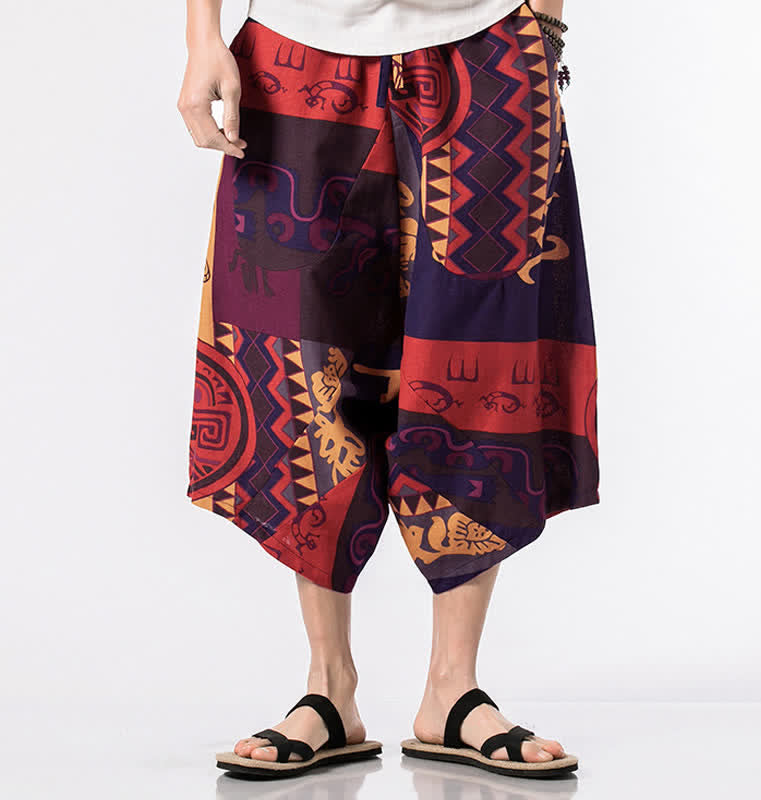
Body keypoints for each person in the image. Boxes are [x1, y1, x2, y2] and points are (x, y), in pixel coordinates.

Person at [177, 0, 598, 780]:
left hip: (485, 45)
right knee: (299, 366)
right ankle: (329, 687)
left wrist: (542, 25)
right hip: (295, 48)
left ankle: (452, 691)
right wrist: (203, 36)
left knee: (481, 366)